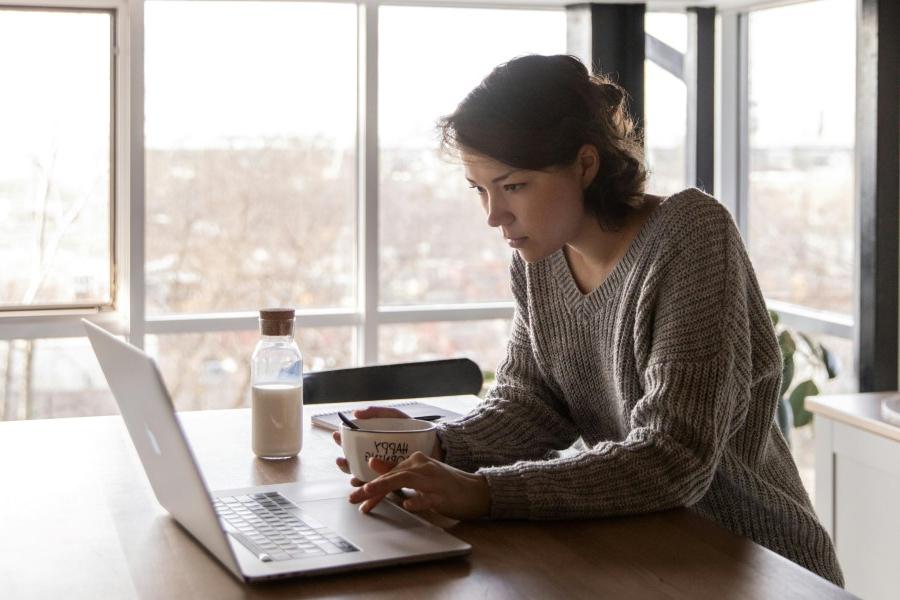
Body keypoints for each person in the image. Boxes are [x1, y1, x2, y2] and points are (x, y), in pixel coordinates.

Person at [332, 54, 843, 587]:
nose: (493, 215)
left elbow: (674, 457)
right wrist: (430, 447)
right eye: (480, 189)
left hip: (755, 563)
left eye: (513, 186)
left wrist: (486, 494)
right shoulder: (539, 260)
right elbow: (531, 403)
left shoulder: (690, 235)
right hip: (636, 550)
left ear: (585, 163)